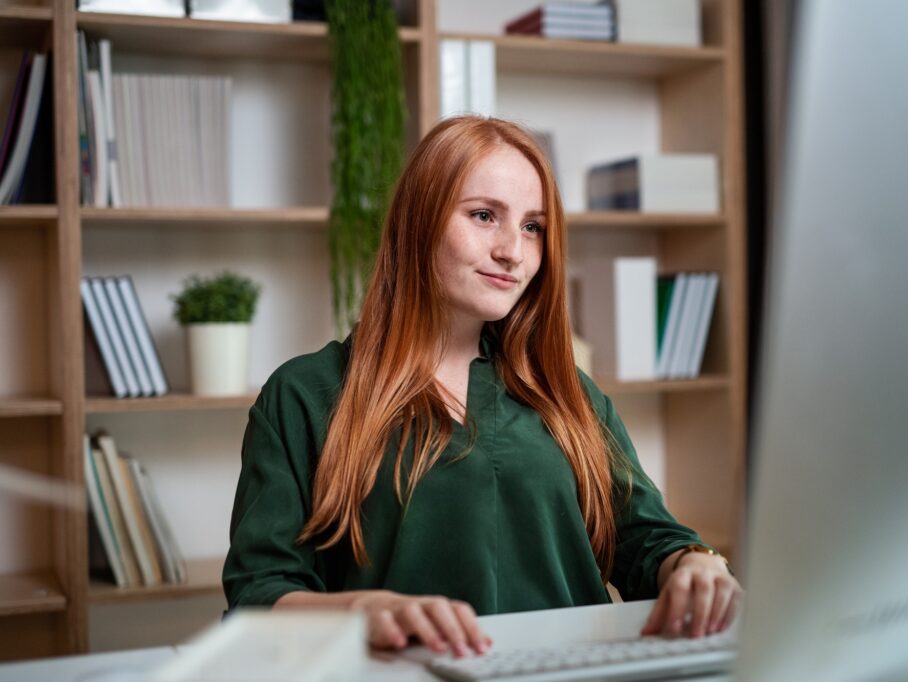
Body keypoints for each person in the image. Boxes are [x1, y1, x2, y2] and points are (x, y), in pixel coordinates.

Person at [223, 115, 742, 658]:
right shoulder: (303, 395)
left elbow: (646, 540)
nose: (512, 251)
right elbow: (260, 595)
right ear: (418, 222)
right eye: (483, 215)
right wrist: (365, 611)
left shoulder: (570, 396)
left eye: (532, 227)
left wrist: (694, 564)